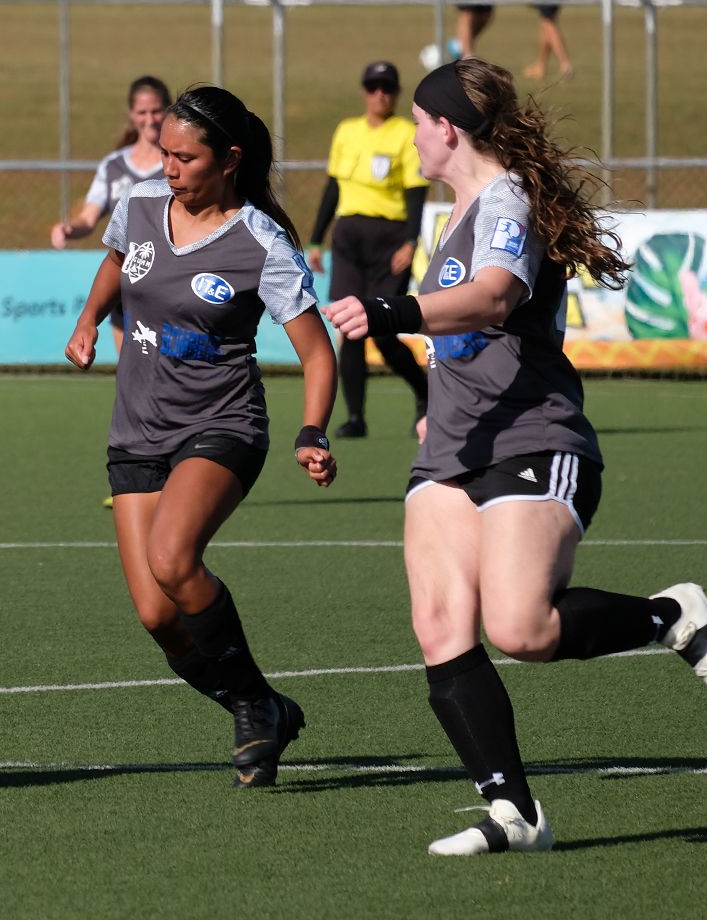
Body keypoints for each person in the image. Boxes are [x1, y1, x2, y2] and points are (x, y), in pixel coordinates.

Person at [322, 59, 707, 854]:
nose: (409, 134)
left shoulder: (506, 197)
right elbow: (466, 337)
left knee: (520, 627)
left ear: (446, 128)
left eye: (417, 121)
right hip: (452, 447)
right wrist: (436, 408)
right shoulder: (453, 212)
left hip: (530, 435)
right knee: (439, 624)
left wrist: (389, 309)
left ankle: (670, 616)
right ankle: (515, 815)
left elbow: (493, 297)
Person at [65, 85, 339, 789]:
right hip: (135, 432)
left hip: (221, 426)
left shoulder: (259, 241)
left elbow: (315, 352)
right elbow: (115, 262)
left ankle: (251, 707)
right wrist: (90, 318)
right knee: (157, 616)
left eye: (185, 157)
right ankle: (266, 706)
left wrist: (313, 429)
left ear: (229, 160)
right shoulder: (140, 207)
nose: (168, 167)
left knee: (172, 557)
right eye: (164, 153)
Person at [307, 60, 431, 439]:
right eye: (374, 87)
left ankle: (426, 393)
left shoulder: (404, 133)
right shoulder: (347, 131)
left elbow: (416, 192)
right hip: (349, 235)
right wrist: (315, 238)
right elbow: (333, 186)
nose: (381, 94)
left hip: (389, 237)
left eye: (388, 88)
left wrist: (411, 241)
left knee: (382, 330)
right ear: (365, 91)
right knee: (348, 326)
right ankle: (355, 417)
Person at [52, 75, 172, 357]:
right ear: (132, 115)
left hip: (170, 279)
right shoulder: (114, 165)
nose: (150, 119)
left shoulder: (176, 163)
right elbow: (89, 218)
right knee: (131, 370)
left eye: (156, 111)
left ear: (168, 110)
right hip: (130, 279)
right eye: (142, 112)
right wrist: (70, 228)